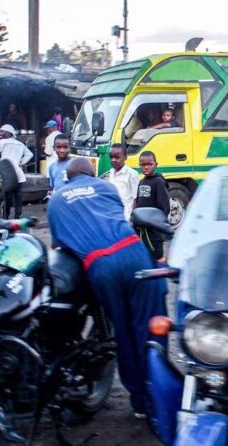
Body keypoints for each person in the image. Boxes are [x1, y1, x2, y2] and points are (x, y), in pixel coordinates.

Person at [47, 158, 168, 418]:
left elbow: (59, 246)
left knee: (123, 335)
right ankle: (160, 400)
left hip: (100, 267)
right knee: (149, 329)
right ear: (92, 175)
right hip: (134, 253)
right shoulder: (107, 188)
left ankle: (139, 404)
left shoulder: (56, 200)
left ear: (68, 177)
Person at [133, 151, 170, 263]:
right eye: (143, 165)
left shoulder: (158, 182)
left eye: (150, 164)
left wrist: (157, 223)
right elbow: (138, 202)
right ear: (139, 166)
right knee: (144, 253)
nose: (146, 167)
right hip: (142, 228)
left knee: (157, 255)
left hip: (154, 229)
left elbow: (164, 206)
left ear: (156, 164)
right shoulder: (142, 182)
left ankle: (162, 273)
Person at [107, 143, 140, 219]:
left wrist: (132, 216)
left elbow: (136, 197)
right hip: (112, 212)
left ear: (125, 157)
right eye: (111, 157)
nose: (113, 160)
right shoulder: (111, 172)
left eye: (117, 157)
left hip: (125, 215)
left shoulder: (132, 174)